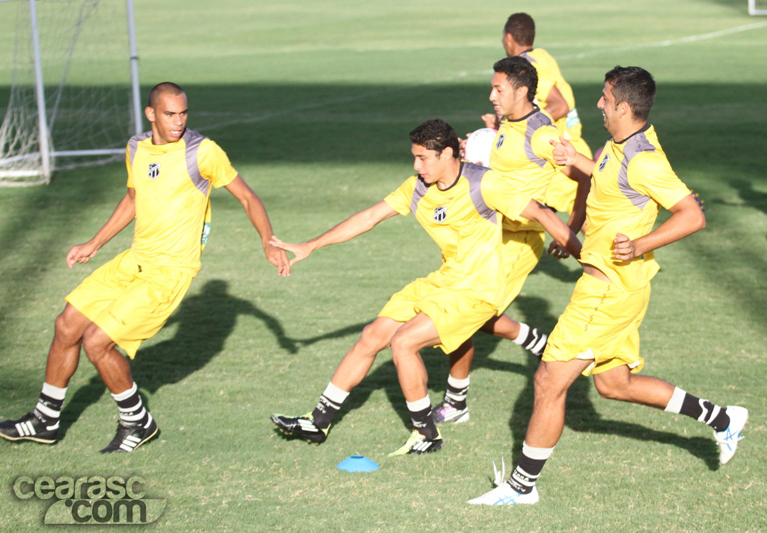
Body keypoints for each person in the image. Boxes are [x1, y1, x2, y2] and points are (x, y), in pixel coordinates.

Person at [468, 66, 748, 505]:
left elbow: (692, 215)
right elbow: (601, 177)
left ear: (623, 106)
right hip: (620, 288)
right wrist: (574, 179)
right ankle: (723, 419)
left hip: (607, 291)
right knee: (613, 385)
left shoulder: (645, 160)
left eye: (603, 98)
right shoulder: (618, 147)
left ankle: (522, 488)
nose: (597, 103)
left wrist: (640, 243)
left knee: (547, 381)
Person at [0, 82, 289, 453]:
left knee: (97, 342)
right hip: (135, 260)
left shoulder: (202, 152)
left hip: (170, 272)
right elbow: (133, 198)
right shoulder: (136, 148)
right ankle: (45, 419)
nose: (179, 121)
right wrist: (94, 242)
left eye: (184, 113)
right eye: (170, 114)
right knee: (66, 324)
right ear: (151, 113)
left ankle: (137, 420)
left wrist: (267, 240)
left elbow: (248, 197)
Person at [270, 119, 582, 455]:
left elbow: (543, 216)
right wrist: (310, 246)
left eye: (423, 158)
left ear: (447, 154)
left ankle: (426, 434)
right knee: (372, 336)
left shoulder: (484, 184)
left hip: (476, 292)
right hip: (442, 282)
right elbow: (369, 217)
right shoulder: (417, 188)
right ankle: (318, 422)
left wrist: (587, 261)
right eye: (414, 158)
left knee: (403, 343)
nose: (416, 166)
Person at [432, 56, 589, 426]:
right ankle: (533, 341)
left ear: (521, 91)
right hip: (488, 234)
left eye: (498, 89)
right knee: (459, 305)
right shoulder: (509, 124)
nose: (491, 95)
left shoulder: (541, 133)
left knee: (464, 310)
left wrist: (575, 224)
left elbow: (585, 175)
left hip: (518, 242)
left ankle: (456, 403)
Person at [487, 12, 595, 216]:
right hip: (565, 146)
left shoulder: (528, 67)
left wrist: (522, 127)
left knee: (572, 223)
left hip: (556, 152)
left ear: (508, 37)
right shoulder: (542, 56)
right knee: (578, 222)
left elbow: (560, 105)